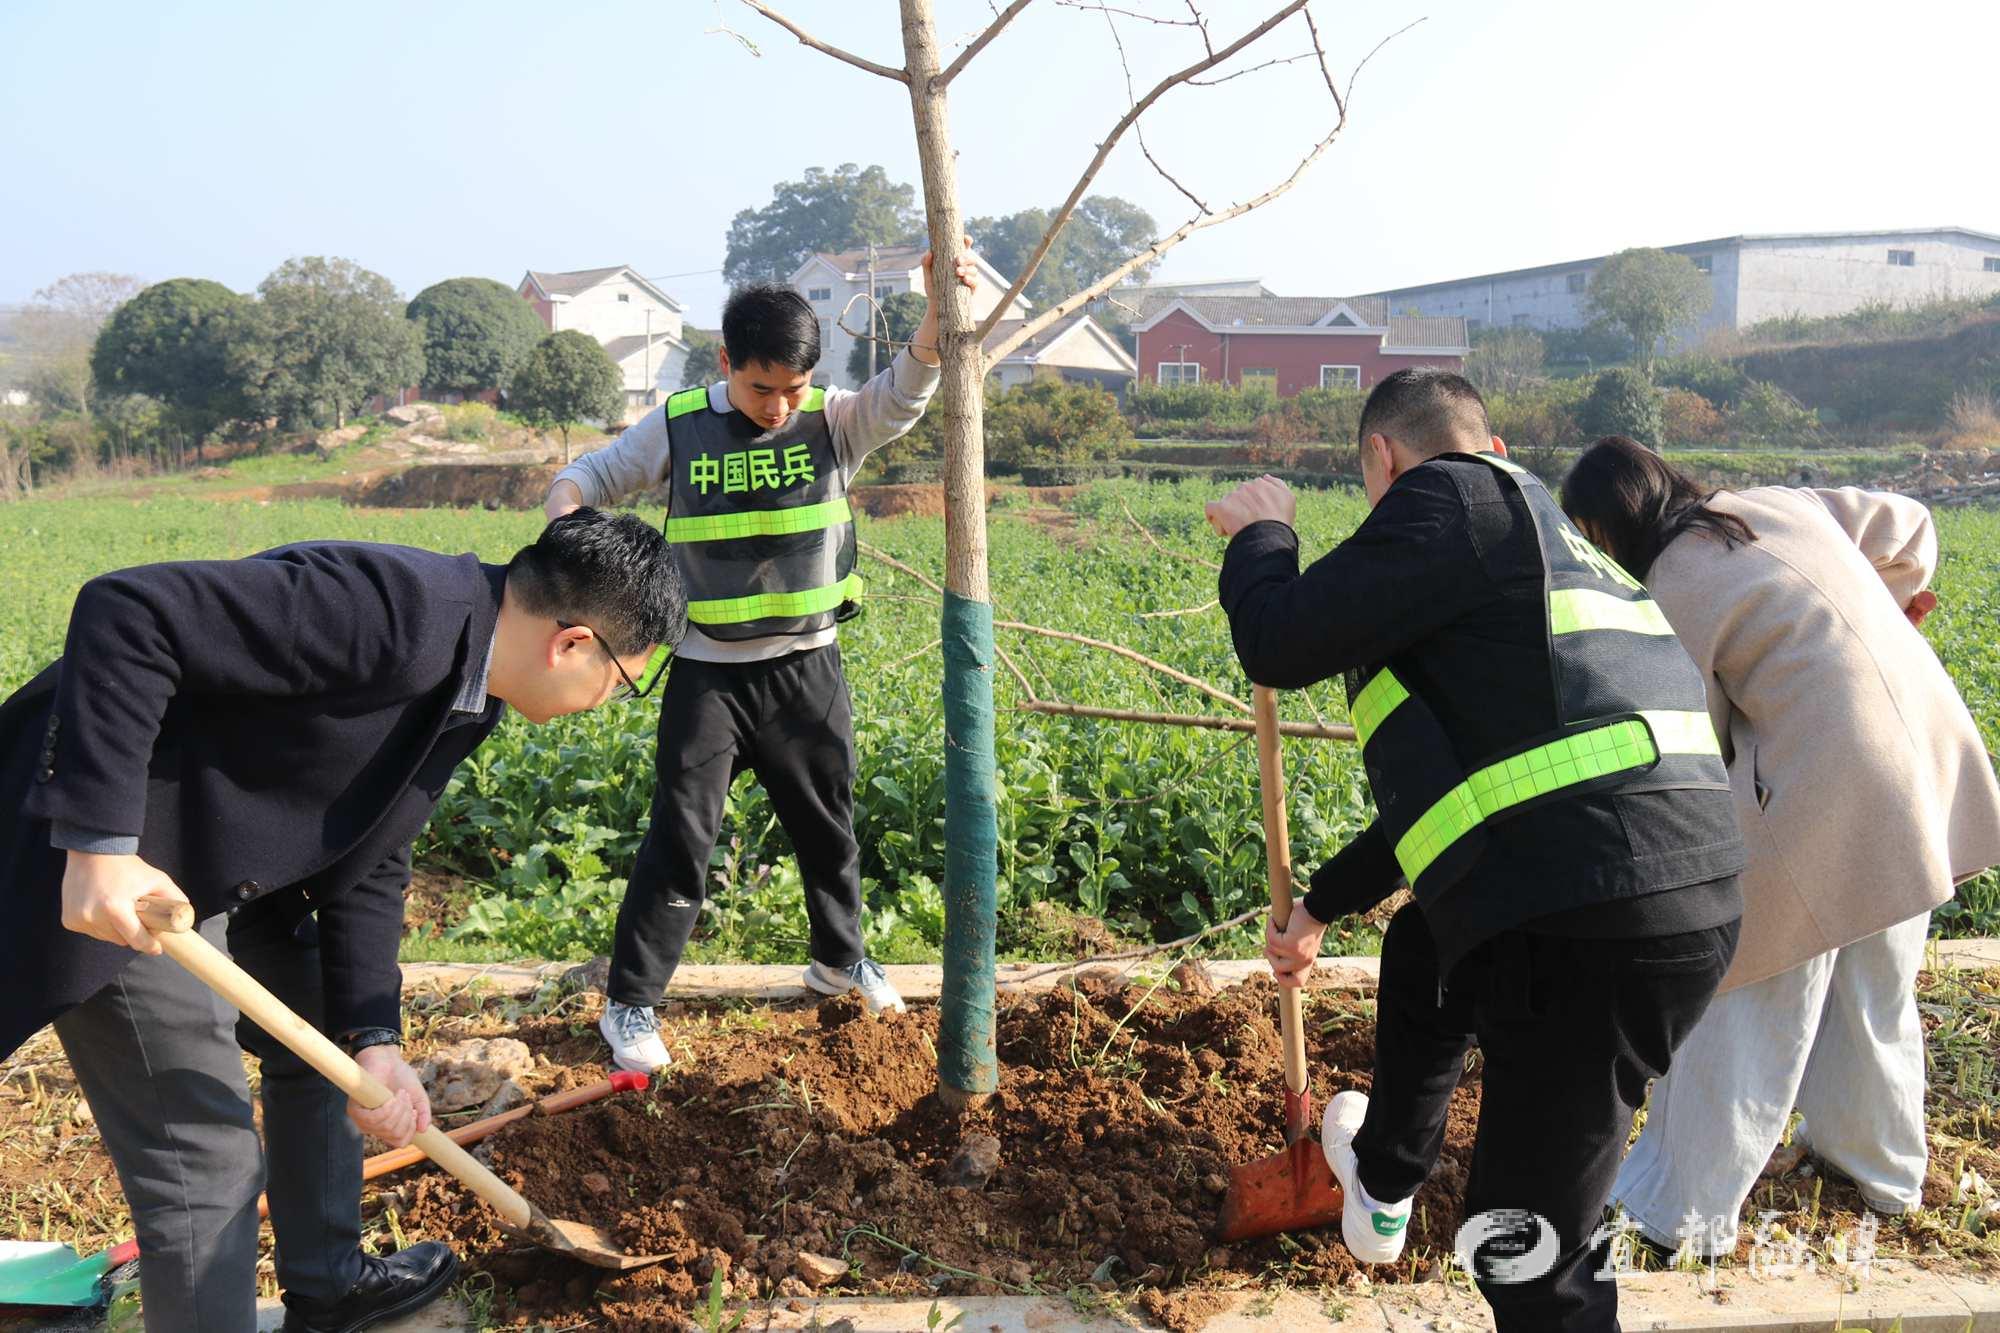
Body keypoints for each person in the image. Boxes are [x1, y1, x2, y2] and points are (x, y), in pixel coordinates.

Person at [0, 510, 687, 1333]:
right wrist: (100, 842)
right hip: (110, 866)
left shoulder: (472, 692)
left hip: (212, 855)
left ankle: (328, 1286)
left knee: (326, 1034)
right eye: (621, 680)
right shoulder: (395, 609)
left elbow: (373, 857)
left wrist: (374, 1038)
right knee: (204, 1161)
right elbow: (128, 612)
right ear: (572, 643)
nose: (608, 701)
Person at [1207, 369, 1746, 1332]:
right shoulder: (1542, 542)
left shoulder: (1449, 498)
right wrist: (1320, 908)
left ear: (1384, 458)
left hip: (1590, 918)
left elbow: (1278, 640)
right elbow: (1477, 793)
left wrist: (1264, 535)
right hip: (1650, 893)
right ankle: (1381, 1182)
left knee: (1526, 1255)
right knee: (1427, 947)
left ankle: (1408, 1200)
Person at [543, 246, 978, 1074]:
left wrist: (932, 311)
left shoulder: (834, 420)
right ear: (725, 363)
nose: (779, 406)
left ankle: (840, 961)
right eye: (760, 388)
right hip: (707, 673)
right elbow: (591, 475)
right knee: (682, 833)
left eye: (794, 388)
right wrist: (565, 522)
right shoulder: (679, 424)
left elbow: (903, 393)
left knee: (828, 826)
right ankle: (631, 1001)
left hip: (807, 668)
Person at [1560, 436, 2000, 1253]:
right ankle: (1878, 1168)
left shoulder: (1668, 589)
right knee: (1874, 976)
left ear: (1605, 529)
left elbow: (1692, 750)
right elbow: (1910, 525)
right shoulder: (1779, 504)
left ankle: (1676, 1211)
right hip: (1922, 750)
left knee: (1746, 984)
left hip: (1828, 778)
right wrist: (1890, 604)